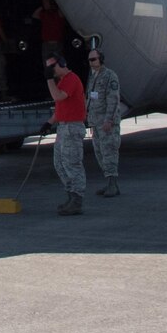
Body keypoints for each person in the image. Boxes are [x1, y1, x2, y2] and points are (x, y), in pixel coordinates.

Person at [45, 52, 88, 215]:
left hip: (72, 127)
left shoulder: (71, 79)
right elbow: (61, 108)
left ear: (62, 63)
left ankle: (77, 199)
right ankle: (71, 195)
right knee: (60, 163)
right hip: (63, 126)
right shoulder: (62, 81)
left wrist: (49, 79)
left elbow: (58, 96)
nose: (51, 71)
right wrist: (49, 123)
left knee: (72, 163)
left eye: (52, 67)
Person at [85, 47, 122, 196]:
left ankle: (113, 184)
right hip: (96, 122)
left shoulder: (109, 76)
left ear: (101, 59)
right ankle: (109, 182)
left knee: (109, 152)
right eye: (89, 59)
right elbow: (91, 98)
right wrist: (90, 120)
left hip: (107, 123)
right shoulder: (93, 77)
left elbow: (113, 100)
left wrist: (109, 120)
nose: (91, 62)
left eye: (93, 59)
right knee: (100, 153)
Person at [31, 0, 70, 64]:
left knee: (59, 65)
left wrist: (53, 4)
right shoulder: (43, 14)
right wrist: (42, 7)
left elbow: (63, 10)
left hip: (57, 45)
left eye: (46, 2)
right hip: (47, 45)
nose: (45, 4)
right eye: (43, 2)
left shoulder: (58, 13)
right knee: (48, 67)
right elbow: (34, 15)